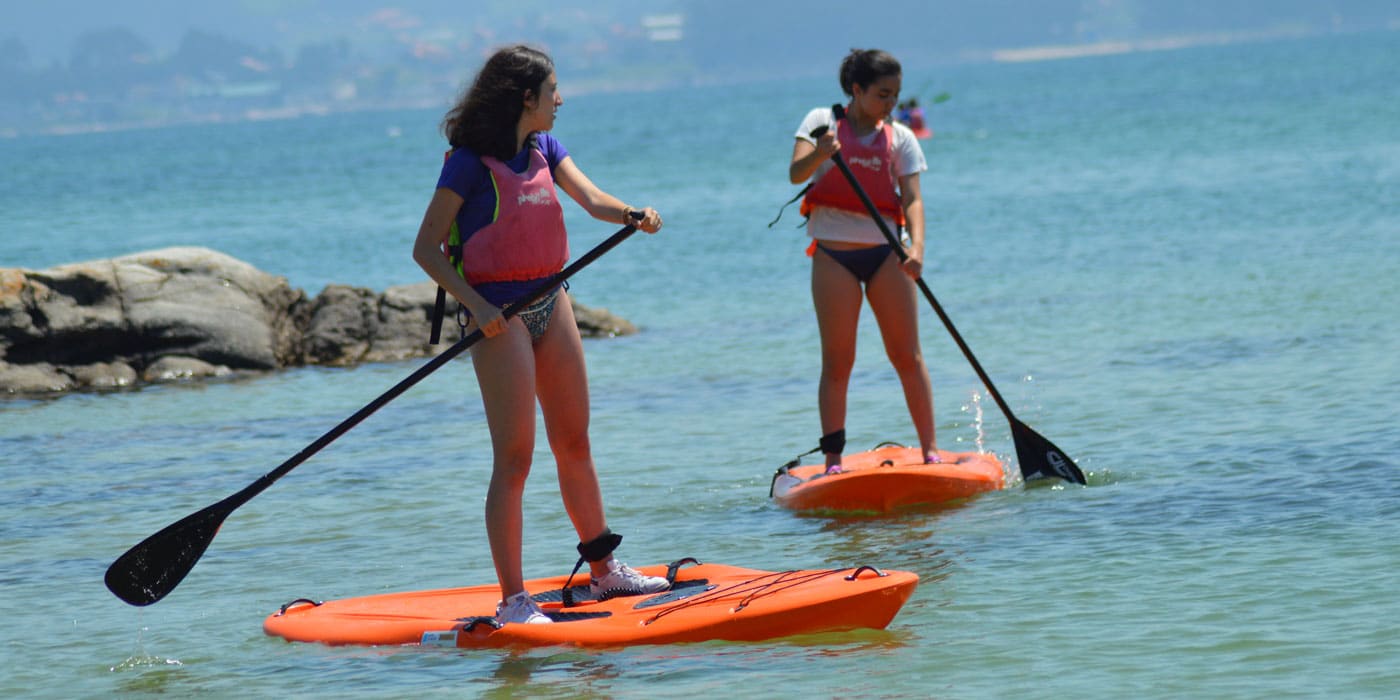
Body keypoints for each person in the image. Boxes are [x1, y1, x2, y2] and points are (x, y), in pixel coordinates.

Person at [412, 45, 668, 625]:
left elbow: (593, 199)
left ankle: (605, 573)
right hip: (497, 316)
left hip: (551, 303)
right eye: (553, 89)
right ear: (525, 98)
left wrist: (633, 213)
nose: (561, 99)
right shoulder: (468, 165)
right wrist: (476, 307)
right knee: (515, 459)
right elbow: (426, 249)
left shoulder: (546, 148)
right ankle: (514, 600)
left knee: (574, 441)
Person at [787, 49, 938, 475]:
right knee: (838, 360)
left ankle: (930, 451)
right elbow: (797, 173)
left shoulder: (901, 138)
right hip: (834, 254)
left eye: (896, 95)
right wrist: (821, 153)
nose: (891, 105)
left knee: (907, 355)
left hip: (888, 254)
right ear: (856, 90)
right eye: (882, 95)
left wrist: (917, 248)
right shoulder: (820, 122)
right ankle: (833, 460)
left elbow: (912, 198)